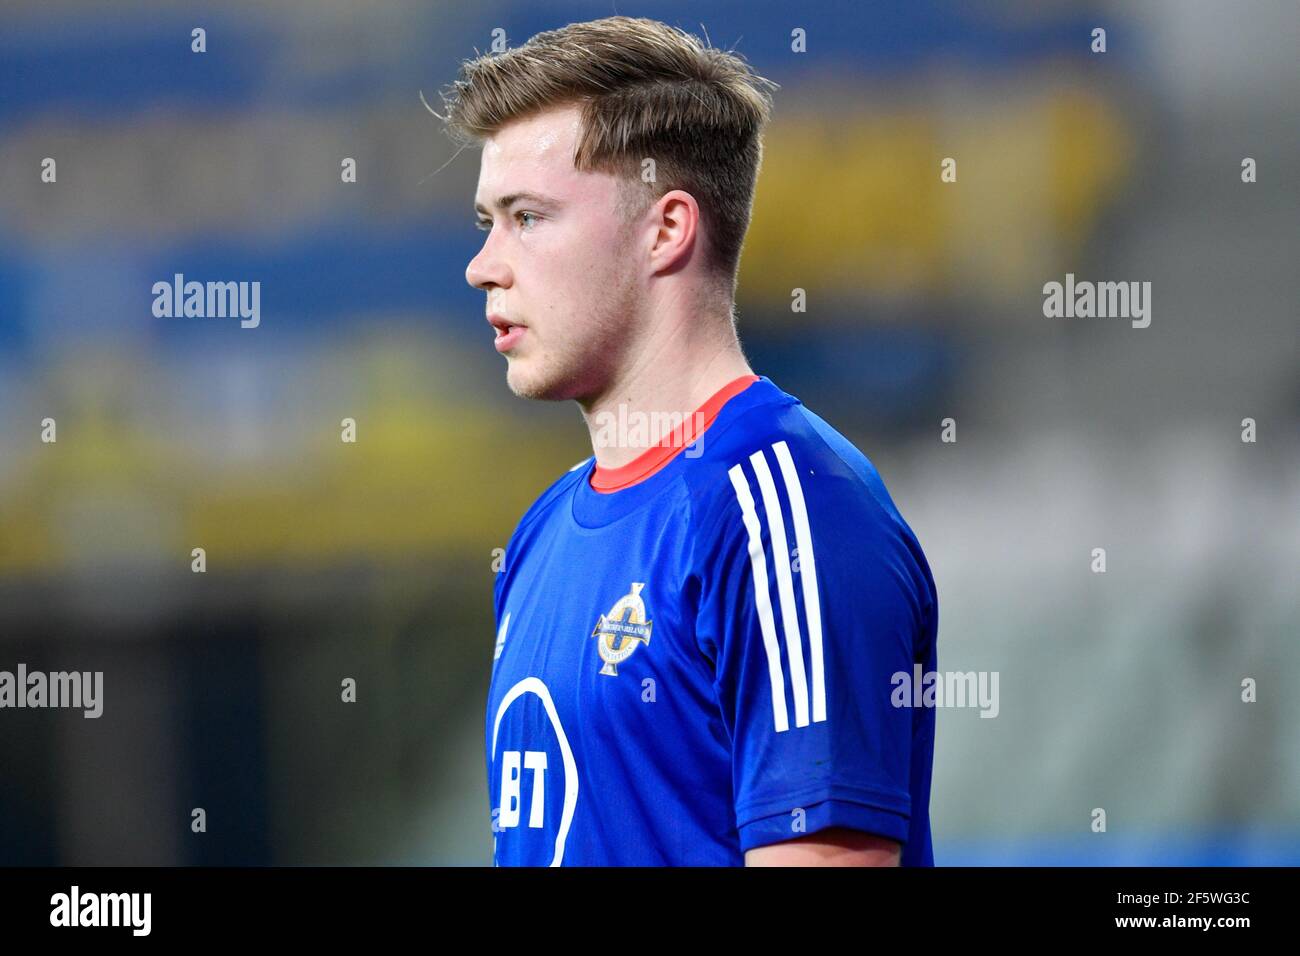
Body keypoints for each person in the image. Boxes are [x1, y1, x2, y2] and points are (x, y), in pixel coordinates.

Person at [443, 15, 938, 866]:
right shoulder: (541, 534)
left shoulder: (785, 513)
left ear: (667, 230)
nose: (483, 265)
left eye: (526, 217)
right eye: (486, 220)